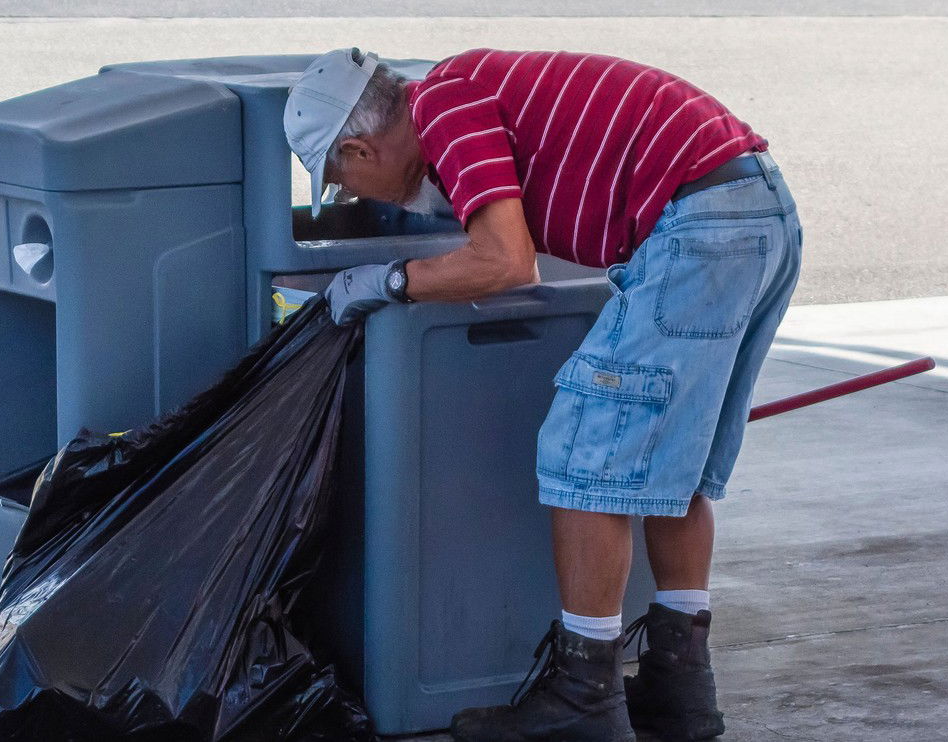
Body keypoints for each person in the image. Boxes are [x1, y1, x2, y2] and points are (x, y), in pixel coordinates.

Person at [284, 47, 801, 742]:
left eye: (344, 182)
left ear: (359, 146)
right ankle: (681, 690)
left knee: (584, 456)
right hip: (757, 209)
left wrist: (389, 281)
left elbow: (505, 259)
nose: (354, 197)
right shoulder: (462, 89)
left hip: (702, 223)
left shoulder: (442, 104)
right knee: (669, 467)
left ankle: (584, 695)